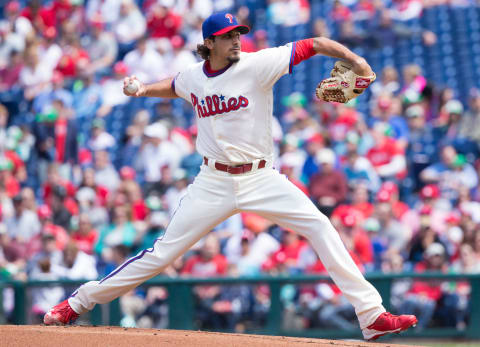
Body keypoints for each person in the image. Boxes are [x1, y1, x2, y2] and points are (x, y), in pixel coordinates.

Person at [44, 12, 417, 340]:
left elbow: (316, 43)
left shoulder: (258, 63)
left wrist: (354, 59)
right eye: (228, 36)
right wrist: (142, 90)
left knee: (320, 227)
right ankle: (77, 303)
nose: (237, 39)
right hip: (213, 182)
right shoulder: (194, 77)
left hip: (261, 177)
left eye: (239, 33)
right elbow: (174, 86)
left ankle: (372, 317)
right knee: (160, 255)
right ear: (209, 44)